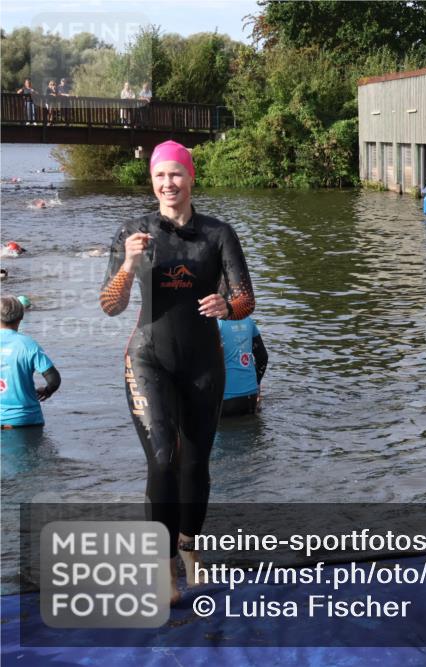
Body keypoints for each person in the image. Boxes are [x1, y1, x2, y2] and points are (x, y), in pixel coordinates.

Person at [100, 140, 255, 603]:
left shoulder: (218, 233)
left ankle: (192, 551)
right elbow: (111, 306)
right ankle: (164, 565)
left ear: (191, 178)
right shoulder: (134, 231)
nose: (169, 184)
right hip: (149, 359)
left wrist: (227, 306)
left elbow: (246, 300)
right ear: (152, 181)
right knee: (163, 458)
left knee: (196, 464)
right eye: (160, 176)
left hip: (203, 362)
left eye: (176, 174)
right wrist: (128, 263)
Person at [0, 296, 61, 429]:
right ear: (21, 317)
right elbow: (54, 380)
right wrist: (47, 391)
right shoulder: (28, 345)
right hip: (26, 421)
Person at [218, 317, 268, 417]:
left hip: (225, 401)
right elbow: (263, 357)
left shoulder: (214, 323)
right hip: (251, 397)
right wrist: (256, 383)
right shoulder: (248, 320)